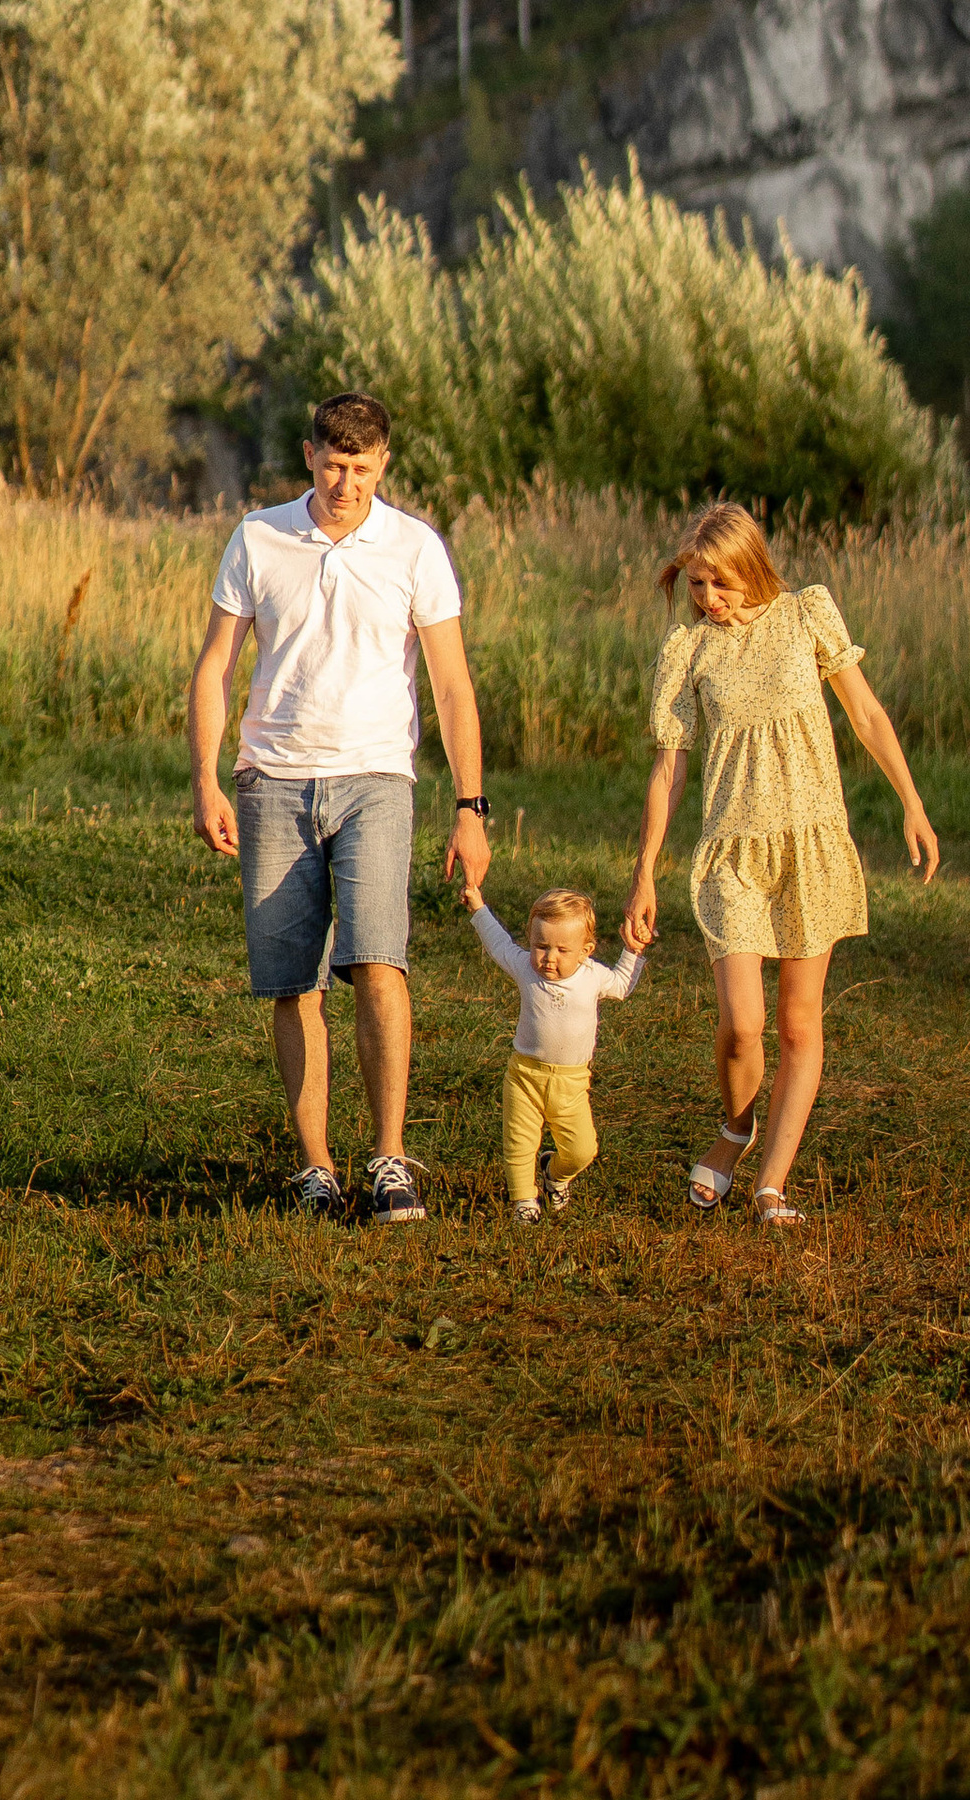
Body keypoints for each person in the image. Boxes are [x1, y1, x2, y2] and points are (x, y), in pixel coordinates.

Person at [188, 389, 491, 1222]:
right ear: (309, 456)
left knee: (379, 964)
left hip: (376, 778)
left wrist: (471, 807)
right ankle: (316, 1168)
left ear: (382, 464)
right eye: (332, 465)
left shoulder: (415, 547)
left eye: (361, 468)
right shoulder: (258, 537)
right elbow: (216, 665)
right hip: (273, 782)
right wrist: (207, 779)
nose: (345, 484)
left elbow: (452, 685)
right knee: (295, 984)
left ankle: (390, 1159)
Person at [621, 500, 939, 1228]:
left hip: (810, 845)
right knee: (743, 1024)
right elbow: (669, 770)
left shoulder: (807, 614)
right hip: (731, 852)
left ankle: (771, 1186)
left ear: (754, 568)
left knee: (798, 1026)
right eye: (697, 583)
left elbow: (866, 715)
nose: (709, 598)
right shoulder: (687, 650)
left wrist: (911, 802)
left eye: (721, 582)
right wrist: (644, 873)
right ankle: (736, 1127)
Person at [461, 877, 646, 1223]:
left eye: (562, 950)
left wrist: (633, 950)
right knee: (519, 1144)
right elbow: (498, 943)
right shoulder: (524, 967)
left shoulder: (592, 976)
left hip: (572, 1082)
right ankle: (524, 1202)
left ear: (586, 950)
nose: (549, 958)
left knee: (582, 1150)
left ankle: (555, 1174)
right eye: (541, 946)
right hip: (525, 1076)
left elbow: (621, 985)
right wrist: (477, 906)